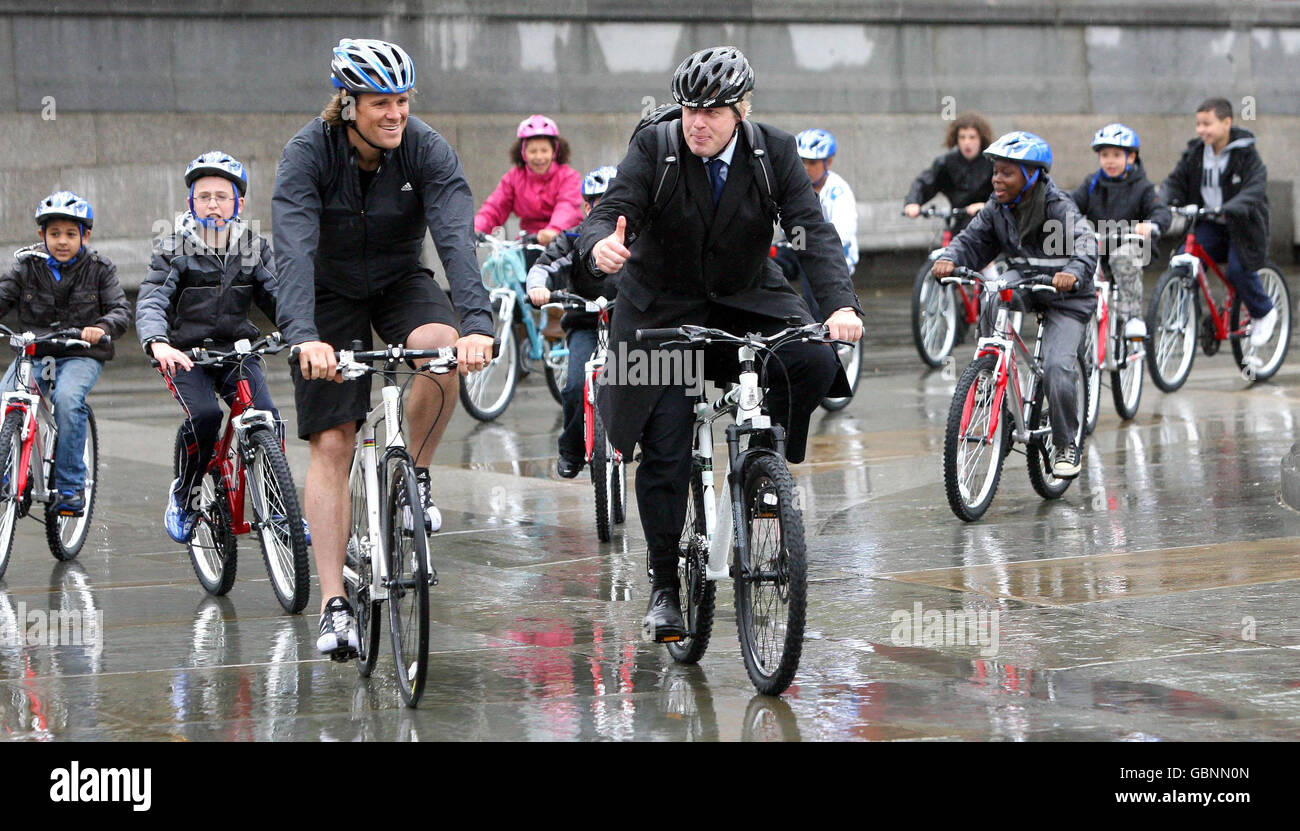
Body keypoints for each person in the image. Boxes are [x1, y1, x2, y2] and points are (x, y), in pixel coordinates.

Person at [578, 46, 863, 642]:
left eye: (712, 111)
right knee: (665, 443)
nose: (697, 123)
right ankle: (662, 584)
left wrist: (838, 303)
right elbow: (611, 210)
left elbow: (812, 233)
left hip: (745, 296)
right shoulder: (655, 148)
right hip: (660, 307)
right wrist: (601, 243)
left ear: (741, 110)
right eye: (689, 111)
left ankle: (765, 462)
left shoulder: (773, 153)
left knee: (812, 357)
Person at [272, 38, 495, 658]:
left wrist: (476, 322)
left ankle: (414, 476)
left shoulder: (426, 149)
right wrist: (302, 336)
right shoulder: (307, 154)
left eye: (402, 100)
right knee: (335, 441)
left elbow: (455, 237)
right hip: (327, 296)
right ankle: (333, 605)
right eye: (378, 103)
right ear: (348, 104)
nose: (394, 113)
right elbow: (291, 248)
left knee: (443, 349)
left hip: (400, 281)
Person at [137, 151, 286, 543]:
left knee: (266, 415)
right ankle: (184, 494)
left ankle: (281, 508)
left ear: (238, 202)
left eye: (222, 196)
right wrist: (158, 343)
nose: (213, 204)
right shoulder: (173, 247)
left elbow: (279, 296)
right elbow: (153, 298)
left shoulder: (252, 245)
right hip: (187, 356)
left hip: (236, 351)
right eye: (204, 196)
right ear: (191, 203)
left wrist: (306, 332)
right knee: (204, 415)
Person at [932, 131, 1098, 478]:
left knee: (1056, 367)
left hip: (1067, 298)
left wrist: (1073, 271)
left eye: (1007, 172)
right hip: (1025, 283)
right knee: (992, 290)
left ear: (1032, 175)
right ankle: (990, 374)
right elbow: (971, 239)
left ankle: (1067, 442)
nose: (996, 179)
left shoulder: (1057, 206)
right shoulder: (997, 207)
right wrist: (950, 257)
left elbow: (1086, 241)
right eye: (995, 171)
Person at [0, 192, 130, 516]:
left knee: (68, 400)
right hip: (36, 353)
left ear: (85, 236)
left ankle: (71, 488)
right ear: (41, 235)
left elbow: (120, 310)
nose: (62, 241)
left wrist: (101, 327)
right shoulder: (26, 267)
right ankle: (7, 471)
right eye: (54, 233)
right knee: (6, 399)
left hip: (80, 354)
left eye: (71, 234)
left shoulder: (100, 269)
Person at [525, 165, 621, 479]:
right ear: (586, 207)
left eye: (611, 201)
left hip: (630, 324)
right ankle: (572, 449)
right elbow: (545, 264)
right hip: (586, 323)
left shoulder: (637, 238)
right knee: (576, 386)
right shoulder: (575, 239)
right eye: (596, 202)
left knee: (651, 381)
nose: (602, 209)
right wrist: (539, 289)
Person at [1160, 97, 1274, 347]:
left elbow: (1255, 188)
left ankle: (1263, 311)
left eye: (1207, 124)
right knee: (1184, 259)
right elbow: (1175, 181)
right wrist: (1163, 200)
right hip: (1210, 223)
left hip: (1243, 225)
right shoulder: (1196, 153)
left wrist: (1231, 207)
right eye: (1198, 124)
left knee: (1237, 269)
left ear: (1227, 123)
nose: (1201, 130)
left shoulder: (1246, 155)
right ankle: (1183, 315)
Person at [1068, 123, 1171, 340]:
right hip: (1100, 243)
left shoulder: (1142, 186)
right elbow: (1070, 204)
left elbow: (1159, 210)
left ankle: (1133, 316)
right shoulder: (1092, 183)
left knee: (1122, 257)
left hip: (1132, 245)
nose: (1110, 161)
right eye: (1104, 155)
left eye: (1116, 155)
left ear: (1131, 157)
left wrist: (1151, 225)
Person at [773, 128, 859, 314]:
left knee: (814, 280)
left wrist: (804, 246)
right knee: (766, 267)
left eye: (812, 162)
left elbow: (843, 232)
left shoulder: (838, 191)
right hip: (798, 246)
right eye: (801, 161)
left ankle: (824, 335)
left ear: (828, 162)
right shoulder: (793, 186)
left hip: (831, 255)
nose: (805, 167)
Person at [473, 115, 584, 249]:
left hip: (563, 243)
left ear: (554, 152)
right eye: (532, 151)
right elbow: (495, 207)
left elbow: (567, 208)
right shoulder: (513, 178)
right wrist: (475, 228)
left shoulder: (568, 176)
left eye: (544, 150)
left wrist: (553, 231)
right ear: (523, 153)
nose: (539, 157)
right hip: (528, 243)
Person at [903, 111, 995, 227]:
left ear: (981, 139)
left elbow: (1005, 193)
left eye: (972, 137)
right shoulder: (947, 163)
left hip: (989, 223)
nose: (967, 142)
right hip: (960, 222)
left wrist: (987, 206)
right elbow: (926, 182)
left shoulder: (992, 163)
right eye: (962, 137)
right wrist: (913, 202)